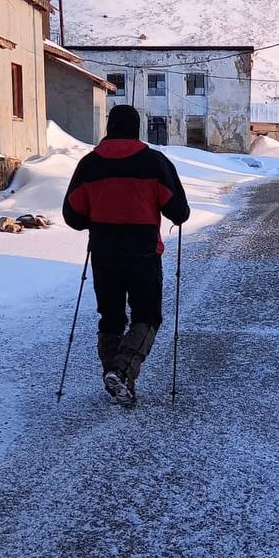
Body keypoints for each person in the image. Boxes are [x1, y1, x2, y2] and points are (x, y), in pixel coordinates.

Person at [62, 104, 190, 407]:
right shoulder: (154, 162)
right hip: (143, 252)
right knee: (147, 316)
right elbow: (179, 211)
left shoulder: (88, 165)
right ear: (137, 129)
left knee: (111, 317)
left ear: (109, 128)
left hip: (104, 253)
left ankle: (115, 377)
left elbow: (73, 216)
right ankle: (122, 370)